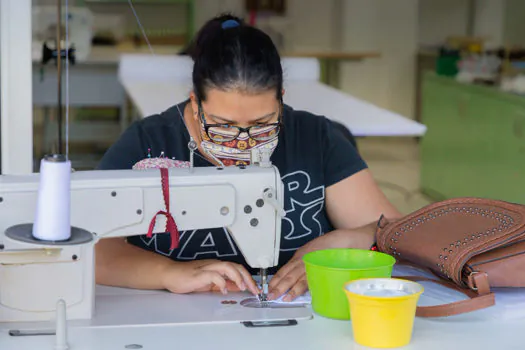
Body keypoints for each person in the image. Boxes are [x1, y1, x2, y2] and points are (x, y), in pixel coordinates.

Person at [95, 14, 402, 302]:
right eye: (223, 126)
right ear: (195, 102)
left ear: (281, 98)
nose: (244, 143)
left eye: (262, 123)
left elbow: (402, 233)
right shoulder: (147, 144)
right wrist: (168, 273)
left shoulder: (316, 138)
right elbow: (91, 250)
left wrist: (345, 244)